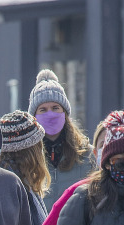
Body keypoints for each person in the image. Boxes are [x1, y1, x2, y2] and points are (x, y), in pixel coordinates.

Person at [28, 69, 95, 210]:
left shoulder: (86, 155)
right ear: (34, 116)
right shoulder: (27, 158)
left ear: (65, 113)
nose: (50, 114)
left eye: (55, 108)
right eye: (43, 110)